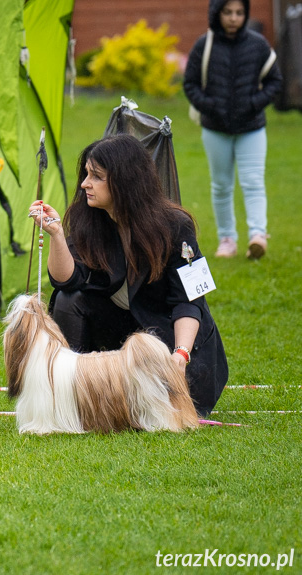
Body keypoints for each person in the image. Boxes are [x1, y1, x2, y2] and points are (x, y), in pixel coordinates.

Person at [29, 134, 228, 415]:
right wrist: (57, 235)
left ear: (124, 182)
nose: (85, 184)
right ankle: (69, 392)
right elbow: (66, 281)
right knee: (68, 299)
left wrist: (180, 355)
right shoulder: (89, 217)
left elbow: (190, 301)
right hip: (122, 332)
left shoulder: (176, 226)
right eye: (86, 174)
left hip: (171, 340)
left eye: (96, 176)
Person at [183, 0, 282, 260]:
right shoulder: (204, 46)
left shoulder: (258, 44)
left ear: (245, 14)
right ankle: (227, 240)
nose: (234, 18)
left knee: (253, 182)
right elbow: (190, 84)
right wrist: (209, 106)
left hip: (252, 129)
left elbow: (275, 81)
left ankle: (257, 236)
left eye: (239, 12)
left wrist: (254, 103)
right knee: (221, 186)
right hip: (215, 130)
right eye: (228, 12)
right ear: (217, 13)